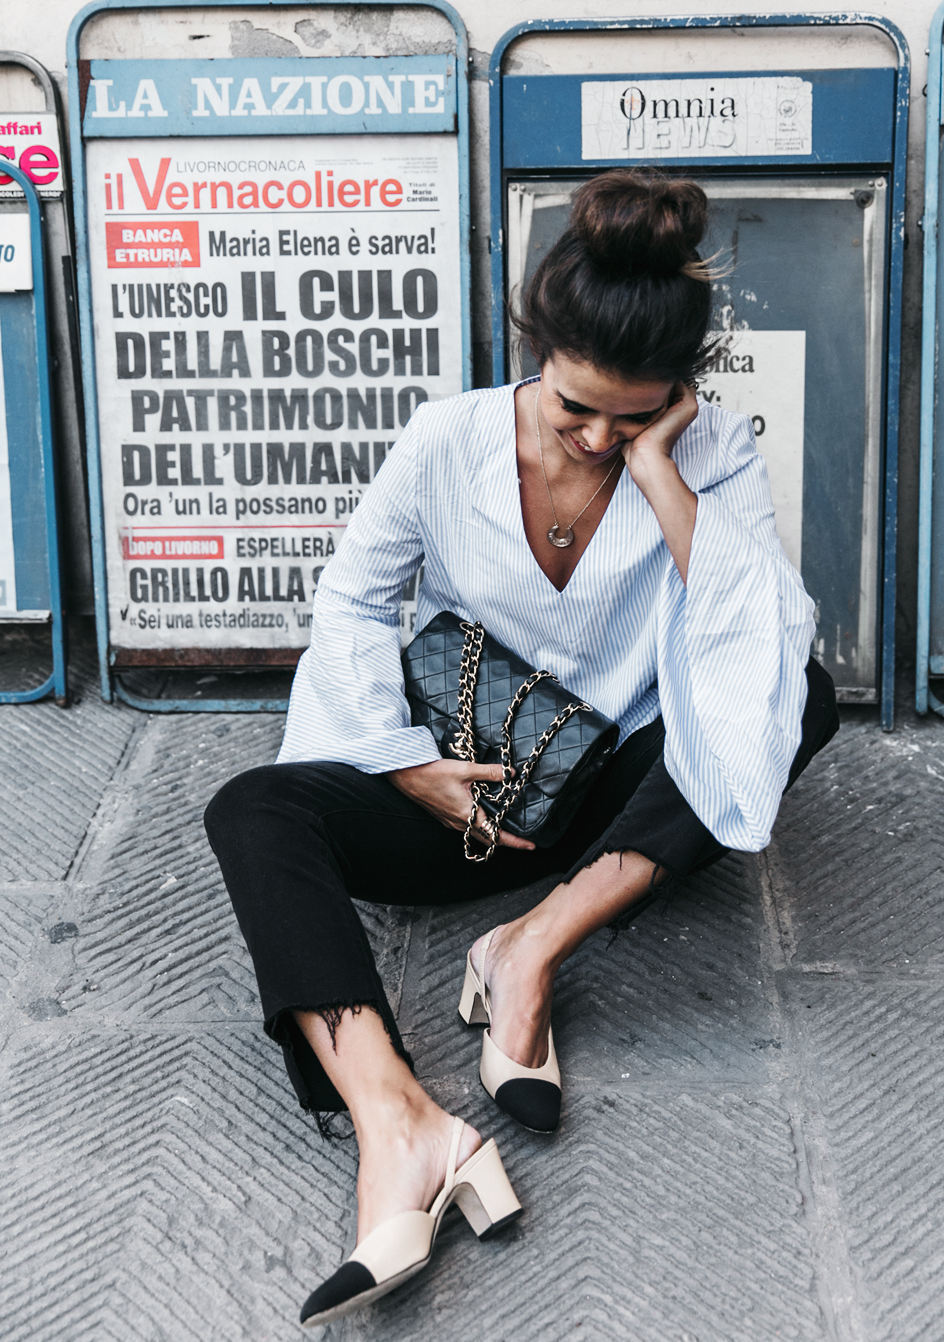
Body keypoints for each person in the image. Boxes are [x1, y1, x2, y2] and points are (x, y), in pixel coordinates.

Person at [204, 170, 838, 1328]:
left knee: (798, 689)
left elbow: (754, 632)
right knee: (252, 813)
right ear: (533, 356)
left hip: (600, 795)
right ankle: (402, 1124)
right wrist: (404, 764)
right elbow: (349, 606)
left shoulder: (711, 456)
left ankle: (528, 951)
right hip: (447, 789)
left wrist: (663, 472)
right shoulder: (444, 440)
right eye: (575, 411)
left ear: (680, 397)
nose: (598, 438)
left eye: (634, 418)